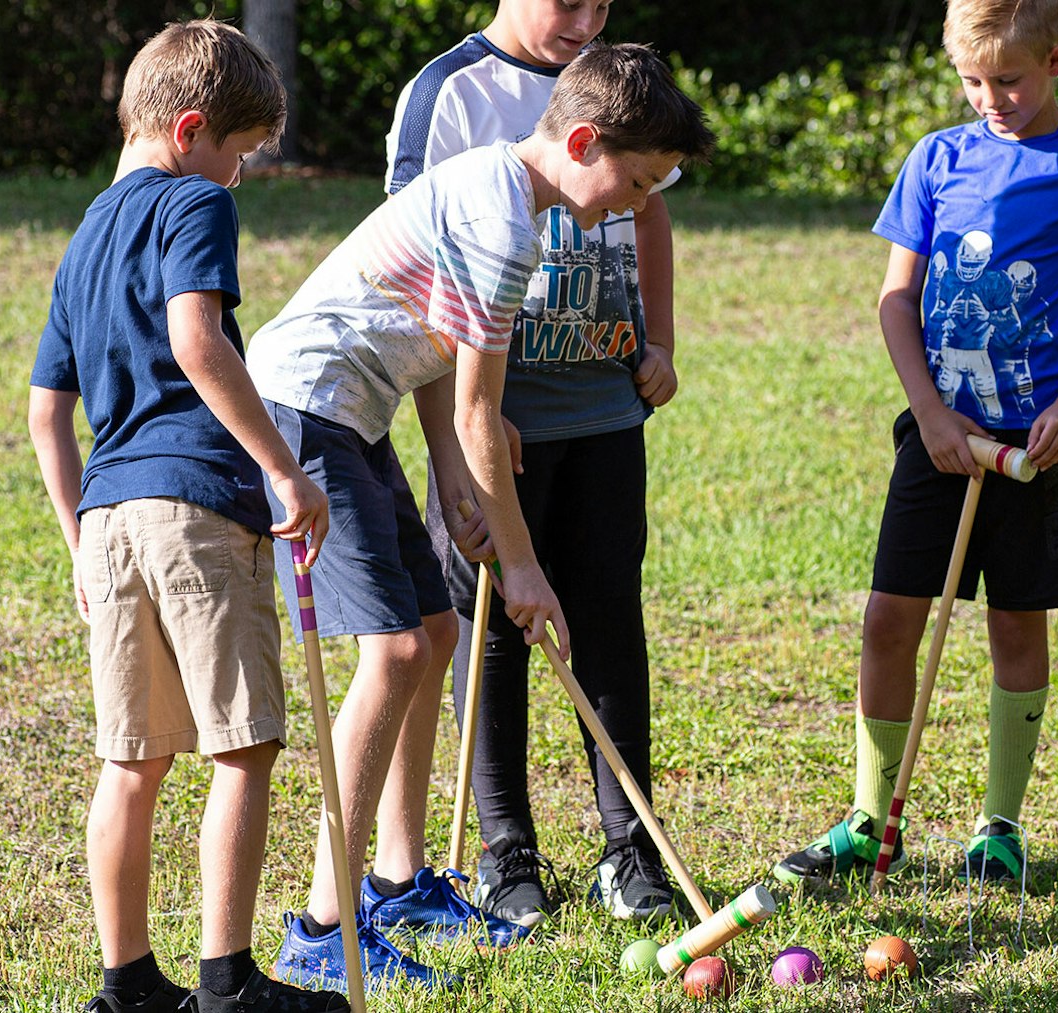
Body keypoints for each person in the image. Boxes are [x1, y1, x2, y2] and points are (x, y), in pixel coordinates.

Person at [247, 42, 715, 988]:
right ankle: (319, 929)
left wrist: (459, 483)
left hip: (354, 408)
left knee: (430, 622)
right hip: (306, 409)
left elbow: (429, 351)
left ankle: (394, 880)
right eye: (631, 181)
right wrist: (526, 563)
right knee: (403, 650)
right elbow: (476, 410)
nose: (633, 205)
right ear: (581, 140)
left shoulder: (499, 188)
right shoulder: (509, 224)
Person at [772, 0, 1058, 887]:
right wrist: (931, 416)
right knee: (888, 618)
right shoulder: (936, 159)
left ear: (1056, 59)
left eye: (1010, 80)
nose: (992, 99)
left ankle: (1001, 826)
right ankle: (869, 821)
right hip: (937, 436)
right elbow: (896, 299)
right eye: (974, 82)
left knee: (1017, 624)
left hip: (1034, 446)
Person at [28, 20, 345, 1013]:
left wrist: (81, 540)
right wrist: (283, 471)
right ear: (193, 130)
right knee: (242, 744)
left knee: (132, 758)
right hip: (200, 507)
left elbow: (47, 411)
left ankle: (125, 988)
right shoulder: (194, 201)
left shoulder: (83, 235)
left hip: (113, 517)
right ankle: (228, 984)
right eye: (243, 154)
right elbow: (198, 340)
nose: (240, 177)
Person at [384, 0, 685, 929]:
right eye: (570, 0)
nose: (586, 19)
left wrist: (661, 339)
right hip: (491, 420)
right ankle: (505, 848)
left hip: (602, 406)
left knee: (606, 614)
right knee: (495, 627)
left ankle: (630, 848)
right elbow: (415, 257)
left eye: (602, 2)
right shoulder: (448, 93)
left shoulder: (616, 78)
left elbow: (652, 215)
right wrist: (468, 428)